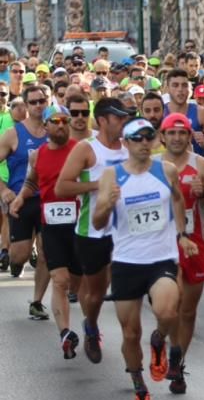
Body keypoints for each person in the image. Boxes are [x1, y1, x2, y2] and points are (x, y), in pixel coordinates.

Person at [92, 118, 200, 400]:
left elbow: (178, 201)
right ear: (125, 143)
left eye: (147, 137)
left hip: (161, 258)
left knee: (167, 313)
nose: (142, 142)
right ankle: (140, 388)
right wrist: (106, 205)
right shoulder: (112, 176)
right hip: (127, 262)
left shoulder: (166, 171)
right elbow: (99, 222)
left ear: (154, 140)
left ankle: (158, 341)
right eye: (135, 138)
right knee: (129, 334)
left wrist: (182, 235)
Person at [56, 98, 132, 363]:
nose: (124, 122)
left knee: (125, 288)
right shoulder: (86, 150)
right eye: (119, 118)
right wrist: (98, 185)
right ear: (102, 120)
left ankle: (131, 345)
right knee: (96, 292)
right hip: (92, 231)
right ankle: (91, 324)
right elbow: (62, 187)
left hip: (125, 231)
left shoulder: (129, 147)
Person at [160, 113, 204, 394]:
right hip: (161, 246)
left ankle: (178, 360)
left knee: (187, 311)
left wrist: (203, 196)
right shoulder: (152, 165)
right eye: (171, 133)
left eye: (182, 133)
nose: (176, 138)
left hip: (193, 243)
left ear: (189, 136)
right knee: (169, 308)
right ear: (162, 136)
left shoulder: (200, 165)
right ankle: (167, 347)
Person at [9, 106, 80, 357]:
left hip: (79, 226)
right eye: (55, 121)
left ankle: (90, 326)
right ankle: (65, 334)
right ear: (46, 126)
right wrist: (18, 199)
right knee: (60, 281)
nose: (60, 125)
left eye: (65, 120)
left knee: (78, 285)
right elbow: (32, 180)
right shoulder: (38, 154)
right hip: (51, 224)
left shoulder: (81, 151)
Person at [0, 85, 50, 318]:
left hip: (49, 200)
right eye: (34, 102)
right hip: (21, 200)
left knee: (46, 252)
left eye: (42, 101)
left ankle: (37, 301)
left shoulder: (56, 130)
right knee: (18, 256)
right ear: (26, 106)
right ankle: (17, 261)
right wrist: (4, 190)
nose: (39, 105)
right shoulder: (14, 133)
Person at [165, 69, 204, 161]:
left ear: (189, 89)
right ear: (167, 88)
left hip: (197, 171)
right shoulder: (160, 112)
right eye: (175, 85)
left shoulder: (201, 112)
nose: (180, 89)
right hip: (168, 170)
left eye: (184, 85)